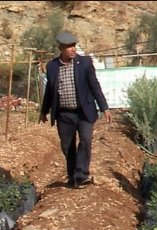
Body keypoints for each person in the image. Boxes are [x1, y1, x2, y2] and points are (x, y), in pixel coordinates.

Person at [40, 31, 112, 189]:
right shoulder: (52, 66)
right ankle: (73, 175)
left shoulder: (85, 63)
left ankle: (82, 175)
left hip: (83, 112)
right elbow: (50, 91)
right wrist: (43, 111)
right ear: (61, 48)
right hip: (63, 114)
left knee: (85, 140)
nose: (73, 49)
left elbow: (95, 86)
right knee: (67, 146)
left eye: (74, 46)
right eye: (69, 47)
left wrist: (104, 107)